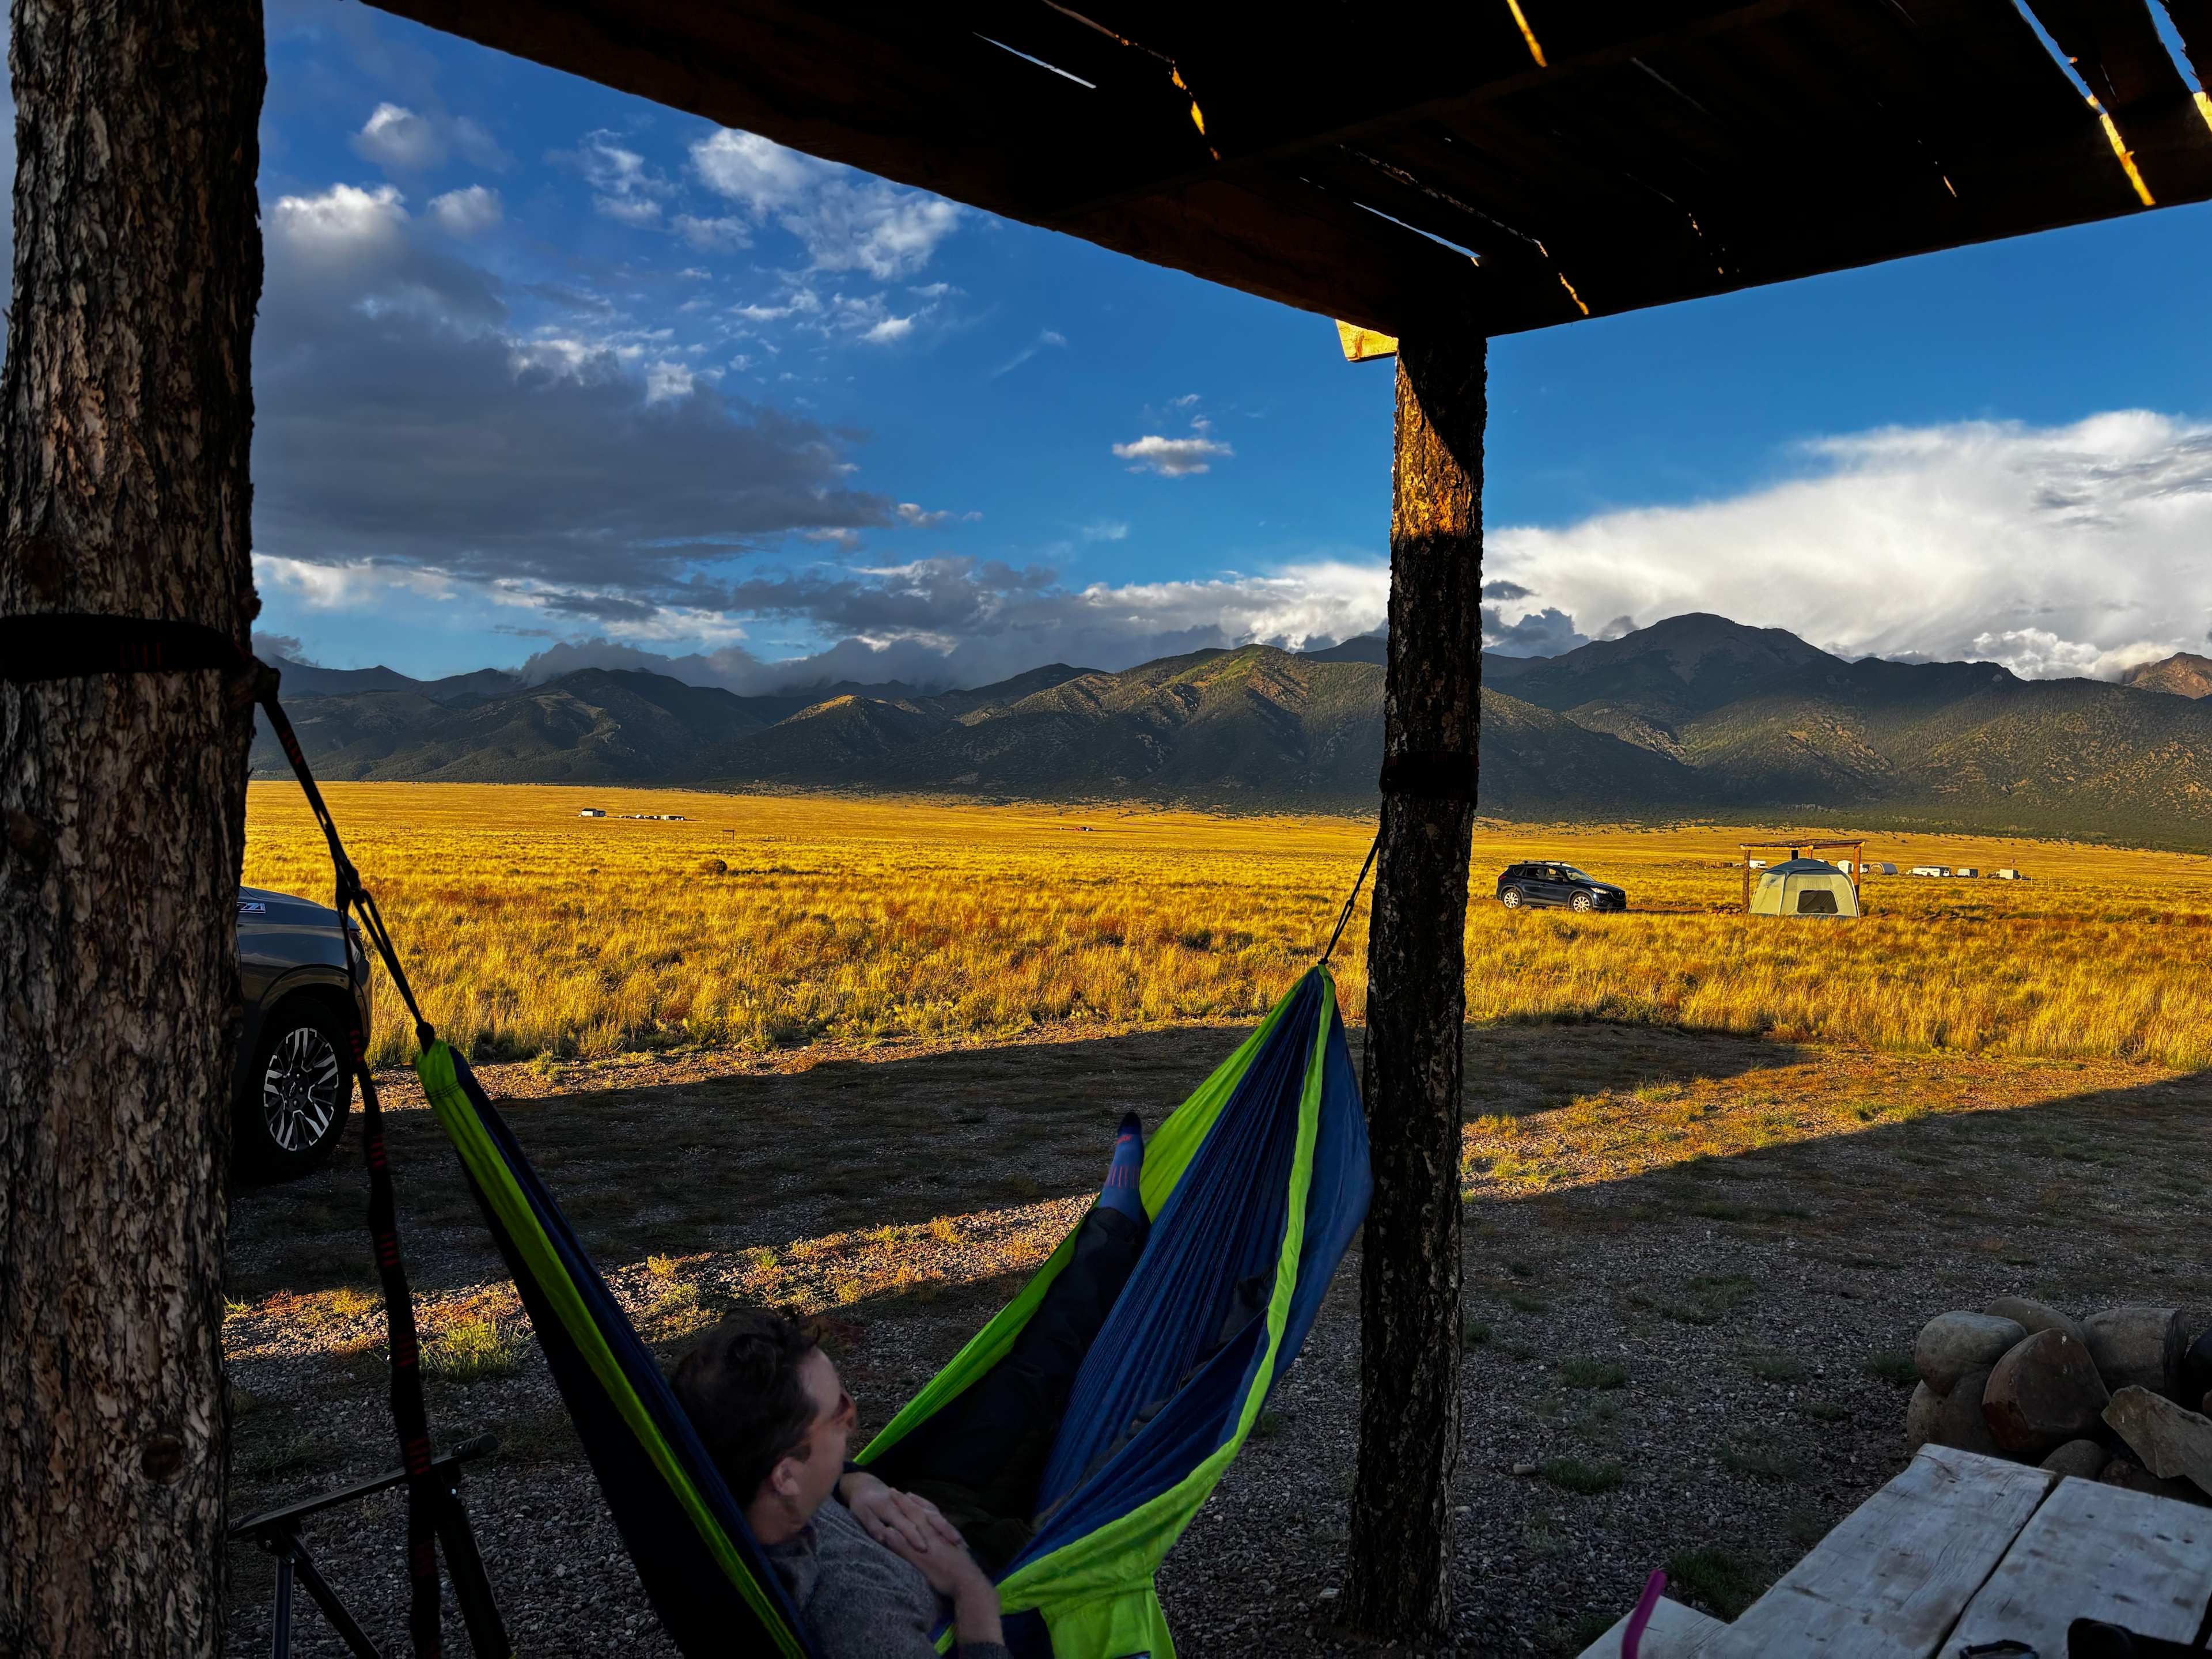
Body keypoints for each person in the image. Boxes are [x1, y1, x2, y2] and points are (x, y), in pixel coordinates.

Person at [669, 1115, 1150, 1659]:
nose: (853, 1413)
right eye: (837, 1410)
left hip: (921, 1490)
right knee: (1122, 1467)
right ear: (784, 1474)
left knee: (1033, 1371)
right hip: (994, 1555)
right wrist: (971, 1591)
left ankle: (1113, 1224)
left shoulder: (732, 1476)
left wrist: (855, 1484)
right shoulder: (861, 1617)